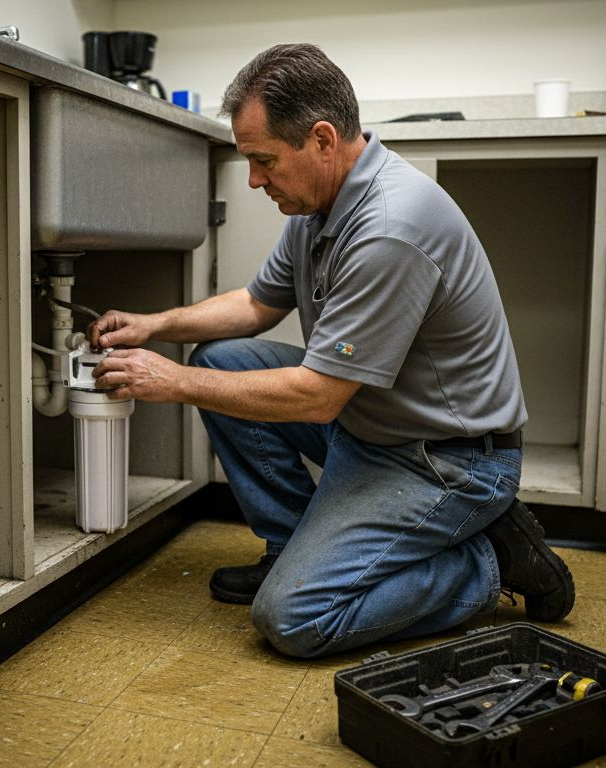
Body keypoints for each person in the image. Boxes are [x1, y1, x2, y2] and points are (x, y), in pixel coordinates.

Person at [89, 43, 574, 659]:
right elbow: (256, 306)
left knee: (294, 619)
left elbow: (317, 398)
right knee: (219, 358)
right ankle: (291, 549)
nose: (254, 180)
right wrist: (153, 325)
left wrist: (172, 381)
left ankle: (486, 561)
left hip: (446, 459)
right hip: (372, 427)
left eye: (263, 161)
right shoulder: (318, 208)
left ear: (322, 139)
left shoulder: (391, 227)